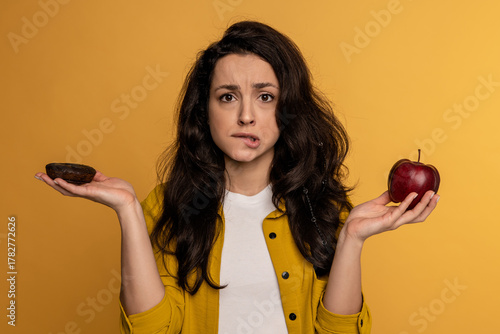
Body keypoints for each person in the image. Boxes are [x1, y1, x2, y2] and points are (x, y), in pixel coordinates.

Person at [35, 21, 439, 334]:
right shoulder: (166, 206)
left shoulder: (322, 208)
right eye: (227, 96)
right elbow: (153, 329)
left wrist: (352, 237)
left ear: (286, 109)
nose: (247, 115)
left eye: (265, 96)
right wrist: (127, 210)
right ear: (204, 110)